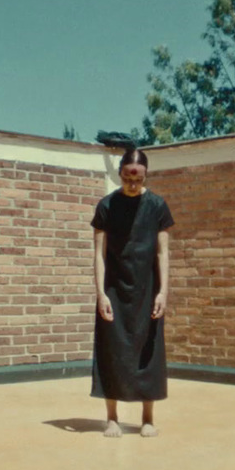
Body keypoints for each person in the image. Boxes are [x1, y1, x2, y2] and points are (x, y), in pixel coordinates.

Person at [90, 147, 174, 437]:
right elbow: (99, 254)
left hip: (147, 289)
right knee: (111, 350)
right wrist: (100, 293)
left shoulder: (158, 207)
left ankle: (147, 418)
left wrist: (163, 291)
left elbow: (163, 252)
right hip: (114, 288)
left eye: (138, 178)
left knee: (149, 350)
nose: (133, 184)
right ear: (120, 174)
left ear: (145, 175)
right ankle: (112, 417)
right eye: (127, 177)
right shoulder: (106, 207)